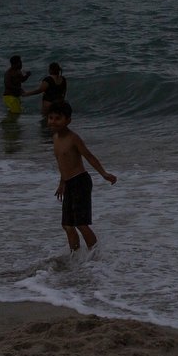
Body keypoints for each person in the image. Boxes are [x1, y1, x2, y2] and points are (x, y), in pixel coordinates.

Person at [48, 101, 117, 251]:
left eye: (58, 118)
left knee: (80, 223)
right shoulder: (55, 138)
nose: (53, 121)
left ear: (68, 120)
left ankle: (95, 255)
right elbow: (62, 162)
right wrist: (62, 182)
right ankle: (76, 257)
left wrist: (104, 174)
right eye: (51, 118)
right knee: (67, 225)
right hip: (68, 183)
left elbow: (89, 156)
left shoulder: (73, 138)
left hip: (80, 182)